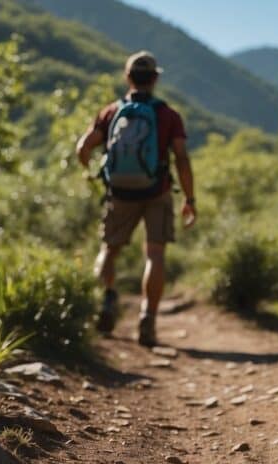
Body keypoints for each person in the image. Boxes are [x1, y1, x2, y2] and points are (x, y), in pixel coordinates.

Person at [76, 51, 196, 346]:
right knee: (154, 254)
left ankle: (106, 301)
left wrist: (95, 174)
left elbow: (83, 148)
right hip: (157, 191)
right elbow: (181, 158)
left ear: (127, 77)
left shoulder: (110, 112)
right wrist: (190, 198)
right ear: (155, 79)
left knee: (109, 249)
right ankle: (148, 317)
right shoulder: (168, 115)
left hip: (119, 193)